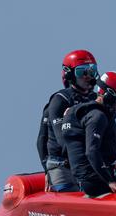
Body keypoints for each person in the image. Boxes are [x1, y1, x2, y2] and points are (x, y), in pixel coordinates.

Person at [62, 71, 116, 197]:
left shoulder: (93, 114)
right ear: (109, 95)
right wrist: (110, 181)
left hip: (88, 177)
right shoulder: (98, 117)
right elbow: (92, 151)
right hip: (94, 182)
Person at [36, 50, 99, 191]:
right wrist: (47, 170)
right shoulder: (60, 100)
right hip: (62, 166)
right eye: (82, 72)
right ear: (69, 74)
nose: (88, 76)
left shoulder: (96, 99)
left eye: (92, 71)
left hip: (87, 163)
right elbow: (52, 139)